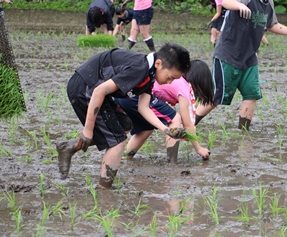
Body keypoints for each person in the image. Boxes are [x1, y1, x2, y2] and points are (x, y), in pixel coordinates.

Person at [56, 43, 191, 190]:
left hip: (91, 87)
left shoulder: (149, 74)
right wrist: (88, 130)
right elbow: (99, 91)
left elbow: (143, 108)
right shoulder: (140, 68)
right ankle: (104, 189)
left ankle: (70, 146)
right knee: (117, 140)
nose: (169, 82)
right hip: (85, 88)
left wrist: (165, 129)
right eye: (170, 77)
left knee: (125, 125)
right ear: (159, 64)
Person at [195, 0, 287, 131]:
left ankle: (244, 131)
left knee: (251, 94)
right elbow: (224, 2)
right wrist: (240, 5)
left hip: (249, 56)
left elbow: (271, 24)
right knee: (217, 97)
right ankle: (188, 123)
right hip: (228, 54)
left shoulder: (269, 3)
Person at [115, 60, 214, 162]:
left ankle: (127, 157)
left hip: (124, 95)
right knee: (175, 119)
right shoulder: (184, 88)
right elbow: (187, 123)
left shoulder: (177, 80)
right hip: (137, 97)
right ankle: (172, 162)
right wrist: (198, 148)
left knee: (147, 127)